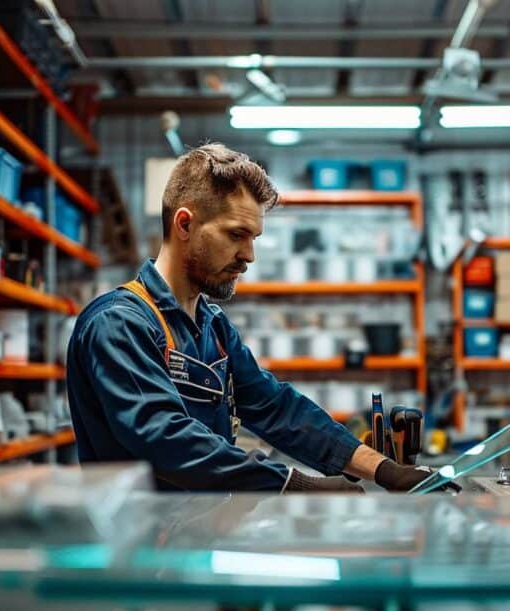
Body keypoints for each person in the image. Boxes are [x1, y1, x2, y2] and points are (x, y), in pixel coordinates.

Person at [67, 143, 440, 493]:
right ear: (184, 225)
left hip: (192, 540)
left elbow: (276, 408)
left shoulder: (211, 327)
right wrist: (293, 484)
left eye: (254, 238)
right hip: (135, 550)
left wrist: (383, 469)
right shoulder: (119, 324)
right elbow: (165, 440)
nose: (249, 255)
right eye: (236, 235)